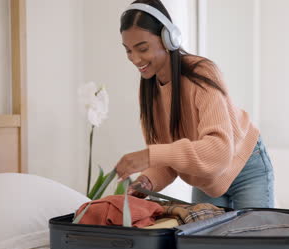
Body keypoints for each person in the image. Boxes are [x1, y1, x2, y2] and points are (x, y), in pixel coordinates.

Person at [115, 0, 274, 209]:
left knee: (255, 238)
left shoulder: (201, 73)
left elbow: (218, 151)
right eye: (128, 50)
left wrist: (149, 155)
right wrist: (146, 181)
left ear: (168, 38)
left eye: (142, 48)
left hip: (245, 166)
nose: (135, 59)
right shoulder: (149, 90)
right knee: (204, 240)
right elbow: (169, 161)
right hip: (206, 177)